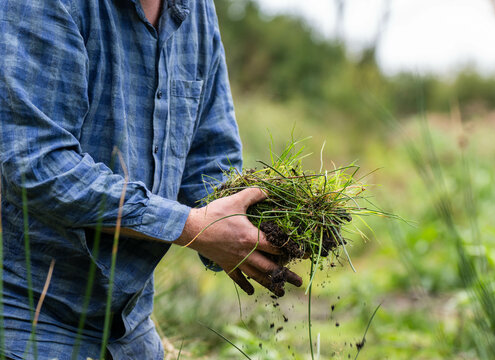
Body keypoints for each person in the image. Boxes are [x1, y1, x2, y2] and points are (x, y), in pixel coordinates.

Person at [0, 0, 302, 358]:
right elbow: (38, 163)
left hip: (130, 326)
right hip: (28, 315)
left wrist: (253, 227)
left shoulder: (196, 10)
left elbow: (209, 153)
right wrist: (193, 227)